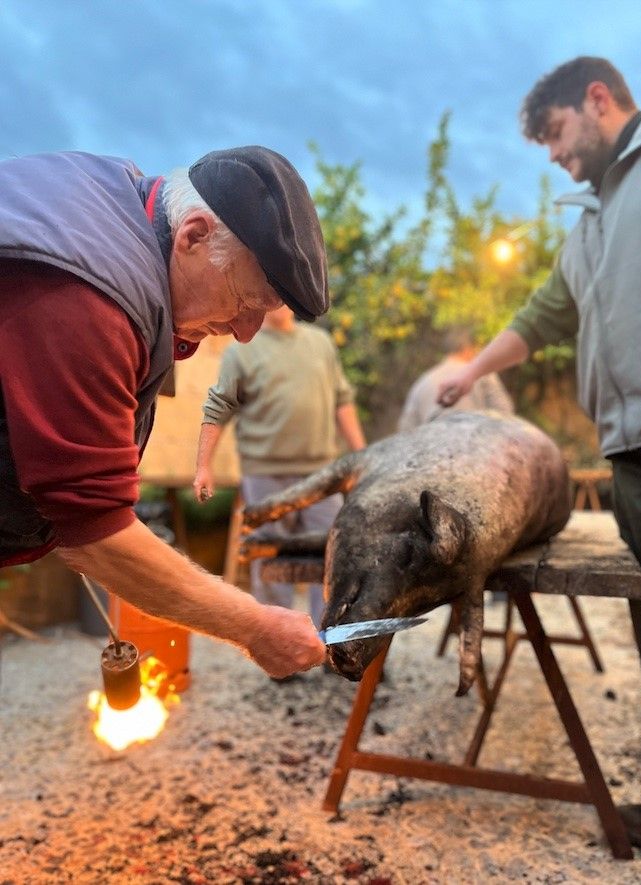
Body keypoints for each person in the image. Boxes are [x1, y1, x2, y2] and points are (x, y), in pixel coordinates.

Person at [437, 57, 641, 849]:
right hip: (632, 452)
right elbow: (543, 314)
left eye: (561, 136)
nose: (557, 157)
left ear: (598, 100)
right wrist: (468, 370)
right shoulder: (588, 221)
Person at [0, 145, 331, 680]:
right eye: (246, 301)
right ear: (194, 234)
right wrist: (252, 625)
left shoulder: (117, 203)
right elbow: (96, 531)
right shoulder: (89, 293)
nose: (245, 333)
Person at [193, 302, 365, 630]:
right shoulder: (240, 351)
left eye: (286, 295)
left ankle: (330, 644)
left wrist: (363, 457)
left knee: (333, 555)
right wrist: (203, 467)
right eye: (272, 294)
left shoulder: (320, 343)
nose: (280, 302)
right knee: (271, 559)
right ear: (259, 298)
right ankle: (278, 643)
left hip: (321, 474)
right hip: (265, 474)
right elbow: (218, 406)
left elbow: (342, 400)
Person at [397, 326, 514, 432]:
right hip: (476, 446)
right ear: (467, 348)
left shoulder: (422, 383)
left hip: (435, 449)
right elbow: (504, 413)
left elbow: (406, 429)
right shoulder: (482, 374)